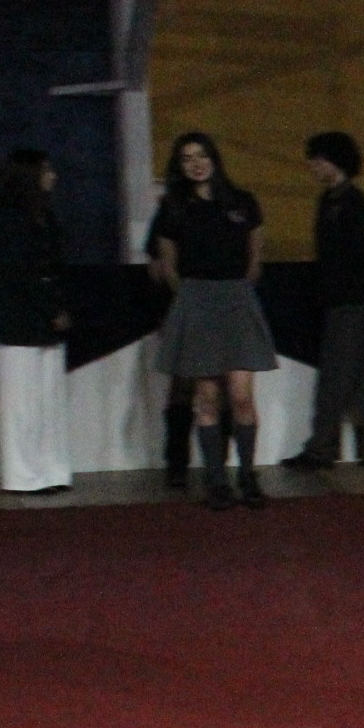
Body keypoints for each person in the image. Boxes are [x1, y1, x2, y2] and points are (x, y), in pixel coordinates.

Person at [149, 132, 275, 511]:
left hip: (236, 299)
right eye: (187, 158)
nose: (196, 163)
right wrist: (189, 298)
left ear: (214, 158)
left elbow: (255, 255)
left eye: (201, 155)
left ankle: (248, 476)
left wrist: (240, 288)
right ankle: (216, 481)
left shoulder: (242, 202)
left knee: (241, 396)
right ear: (180, 166)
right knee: (206, 397)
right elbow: (167, 263)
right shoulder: (173, 207)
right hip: (196, 302)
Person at [285, 132, 364, 472]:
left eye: (318, 160)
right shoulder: (335, 199)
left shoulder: (348, 201)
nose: (313, 166)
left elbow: (359, 251)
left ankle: (321, 448)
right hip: (345, 299)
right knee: (360, 377)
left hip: (350, 300)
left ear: (333, 161)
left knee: (335, 377)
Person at [0, 149, 71, 493]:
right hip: (18, 321)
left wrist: (57, 307)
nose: (53, 176)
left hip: (46, 320)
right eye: (46, 170)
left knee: (49, 402)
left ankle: (52, 471)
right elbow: (18, 272)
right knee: (22, 405)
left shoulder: (45, 215)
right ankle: (22, 475)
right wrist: (52, 309)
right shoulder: (5, 219)